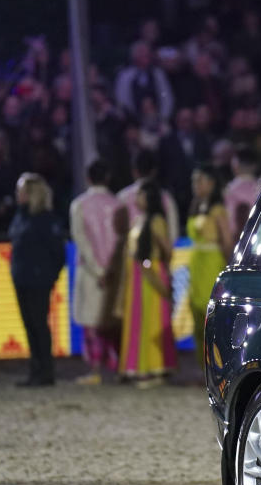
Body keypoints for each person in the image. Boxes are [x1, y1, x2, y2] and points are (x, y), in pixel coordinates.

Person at [70, 160, 127, 385]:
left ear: (88, 178)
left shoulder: (79, 205)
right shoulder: (118, 204)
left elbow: (81, 239)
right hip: (115, 273)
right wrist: (111, 269)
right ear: (108, 178)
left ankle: (94, 369)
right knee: (113, 321)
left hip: (91, 272)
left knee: (91, 324)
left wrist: (97, 269)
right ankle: (117, 366)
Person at [9, 173, 66, 387]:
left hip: (38, 280)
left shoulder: (45, 220)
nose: (17, 194)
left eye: (21, 190)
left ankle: (45, 370)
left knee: (39, 325)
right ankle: (36, 370)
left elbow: (57, 253)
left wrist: (49, 275)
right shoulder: (21, 216)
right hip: (21, 278)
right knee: (30, 325)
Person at [118, 179, 177, 384]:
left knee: (152, 320)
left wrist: (161, 269)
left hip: (150, 275)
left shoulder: (156, 221)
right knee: (137, 320)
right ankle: (137, 367)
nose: (137, 198)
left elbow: (167, 249)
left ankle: (156, 367)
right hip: (136, 277)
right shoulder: (138, 220)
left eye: (141, 195)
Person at [186, 164, 232, 364]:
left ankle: (216, 366)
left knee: (210, 315)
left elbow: (227, 241)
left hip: (212, 264)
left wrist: (229, 269)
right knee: (195, 314)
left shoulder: (218, 209)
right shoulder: (197, 207)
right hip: (197, 264)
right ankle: (202, 366)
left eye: (200, 180)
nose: (195, 185)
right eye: (194, 181)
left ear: (212, 184)